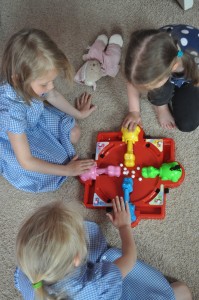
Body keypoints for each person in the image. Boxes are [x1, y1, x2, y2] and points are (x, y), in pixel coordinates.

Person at [14, 198, 192, 300]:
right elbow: (130, 257)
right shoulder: (100, 285)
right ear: (77, 258)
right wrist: (124, 226)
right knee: (181, 290)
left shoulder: (29, 278)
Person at [0, 28, 96, 192]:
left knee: (74, 133)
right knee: (62, 162)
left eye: (52, 80)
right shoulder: (12, 114)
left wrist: (78, 113)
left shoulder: (31, 84)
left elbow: (52, 95)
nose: (51, 87)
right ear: (18, 80)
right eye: (44, 84)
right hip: (17, 138)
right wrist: (68, 170)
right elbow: (26, 161)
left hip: (35, 118)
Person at [123, 24, 199, 132]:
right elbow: (132, 81)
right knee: (155, 88)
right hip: (168, 72)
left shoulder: (195, 55)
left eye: (149, 86)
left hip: (191, 79)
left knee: (187, 124)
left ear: (173, 67)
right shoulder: (147, 50)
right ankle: (161, 107)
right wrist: (134, 112)